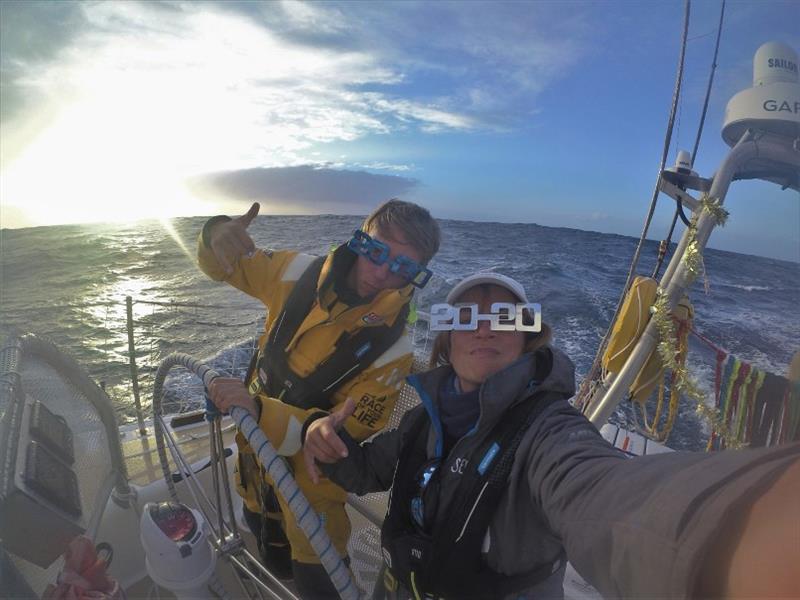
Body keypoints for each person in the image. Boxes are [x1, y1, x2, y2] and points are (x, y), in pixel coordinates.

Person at [303, 272, 800, 600]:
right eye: (464, 318)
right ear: (446, 339)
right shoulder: (421, 418)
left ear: (526, 340)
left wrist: (728, 536)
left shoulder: (549, 429)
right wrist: (322, 441)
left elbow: (602, 494)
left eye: (506, 318)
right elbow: (367, 471)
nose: (484, 330)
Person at [200, 199, 441, 599]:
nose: (382, 273)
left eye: (403, 267)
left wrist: (261, 412)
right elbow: (223, 265)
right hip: (251, 464)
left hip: (312, 495)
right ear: (361, 239)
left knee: (317, 584)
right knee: (268, 553)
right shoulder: (295, 272)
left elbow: (340, 436)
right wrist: (215, 235)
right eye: (377, 252)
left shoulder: (393, 352)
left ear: (416, 276)